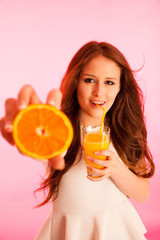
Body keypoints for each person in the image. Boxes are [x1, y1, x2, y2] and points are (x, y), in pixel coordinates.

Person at [0, 41, 155, 240]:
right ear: (75, 82)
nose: (99, 92)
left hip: (115, 229)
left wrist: (115, 168)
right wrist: (16, 128)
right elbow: (29, 139)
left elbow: (143, 194)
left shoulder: (124, 130)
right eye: (89, 80)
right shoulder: (57, 128)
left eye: (109, 82)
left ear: (120, 88)